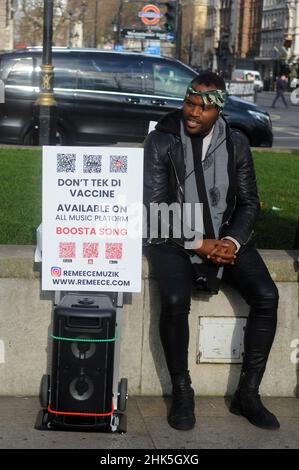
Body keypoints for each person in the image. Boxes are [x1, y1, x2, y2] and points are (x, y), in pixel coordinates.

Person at [143, 71, 280, 431]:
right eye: (190, 103)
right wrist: (200, 243)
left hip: (225, 236)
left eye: (203, 108)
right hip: (172, 238)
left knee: (267, 295)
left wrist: (230, 243)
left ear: (218, 110)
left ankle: (248, 394)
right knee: (174, 298)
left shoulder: (236, 142)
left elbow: (249, 203)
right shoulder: (161, 141)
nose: (193, 113)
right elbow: (155, 206)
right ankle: (182, 391)